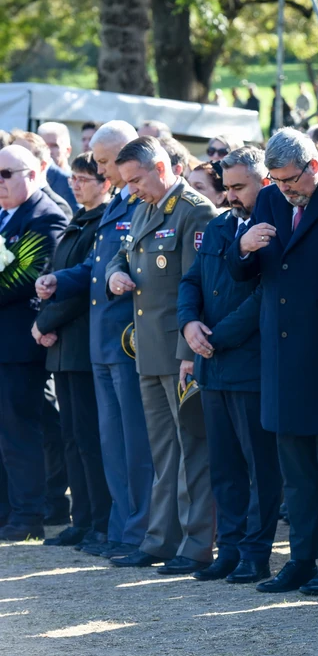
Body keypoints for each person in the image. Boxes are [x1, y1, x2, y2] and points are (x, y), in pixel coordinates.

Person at [228, 128, 318, 597]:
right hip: (281, 356)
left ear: (313, 165)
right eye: (276, 181)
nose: (284, 190)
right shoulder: (268, 201)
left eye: (290, 180)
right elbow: (250, 275)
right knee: (296, 472)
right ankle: (300, 559)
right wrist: (242, 248)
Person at [38, 120, 153, 559]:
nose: (103, 172)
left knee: (134, 443)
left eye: (106, 162)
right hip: (102, 340)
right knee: (110, 443)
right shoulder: (119, 202)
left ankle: (137, 529)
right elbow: (97, 266)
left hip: (128, 338)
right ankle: (120, 528)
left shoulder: (139, 202)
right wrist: (59, 281)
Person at [104, 137, 218, 574]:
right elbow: (121, 254)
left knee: (192, 450)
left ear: (161, 166)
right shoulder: (142, 207)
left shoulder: (194, 211)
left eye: (136, 179)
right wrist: (115, 275)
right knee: (163, 451)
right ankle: (159, 539)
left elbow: (197, 287)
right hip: (148, 349)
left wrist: (189, 353)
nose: (131, 189)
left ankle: (194, 546)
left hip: (179, 350)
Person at [177, 146, 280, 584]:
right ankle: (231, 547)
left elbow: (265, 295)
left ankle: (256, 552)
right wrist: (188, 325)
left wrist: (216, 337)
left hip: (248, 362)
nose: (231, 195)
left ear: (265, 181)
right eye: (228, 186)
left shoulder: (273, 227)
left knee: (259, 466)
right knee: (224, 466)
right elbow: (192, 281)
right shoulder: (219, 226)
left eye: (240, 187)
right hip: (211, 365)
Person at [33, 153, 113, 549]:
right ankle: (81, 518)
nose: (77, 184)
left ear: (105, 182)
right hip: (64, 344)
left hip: (82, 341)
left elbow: (87, 284)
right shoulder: (78, 220)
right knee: (71, 436)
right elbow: (55, 275)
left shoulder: (103, 221)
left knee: (89, 437)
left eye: (85, 178)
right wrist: (46, 320)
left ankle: (100, 520)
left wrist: (45, 322)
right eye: (76, 178)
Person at [0, 145, 68, 541]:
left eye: (7, 173)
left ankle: (29, 514)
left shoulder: (45, 215)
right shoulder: (6, 214)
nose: (1, 182)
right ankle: (9, 509)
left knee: (20, 431)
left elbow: (26, 276)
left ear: (34, 171)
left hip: (21, 344)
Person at [10, 129, 74, 217]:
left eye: (21, 159)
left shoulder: (57, 207)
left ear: (42, 165)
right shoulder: (5, 201)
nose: (12, 163)